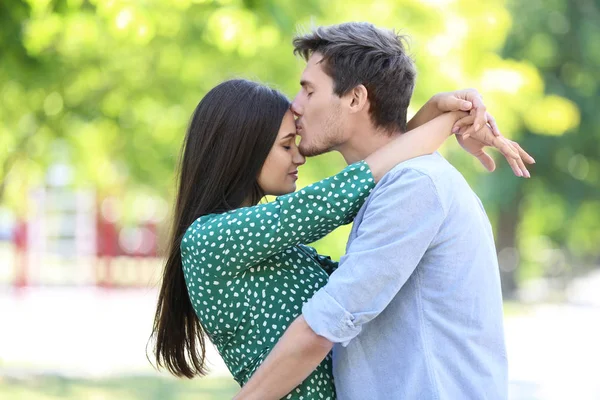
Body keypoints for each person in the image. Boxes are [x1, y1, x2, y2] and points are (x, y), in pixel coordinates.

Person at [235, 22, 534, 400]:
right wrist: (439, 113)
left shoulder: (415, 186)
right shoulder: (394, 184)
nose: (295, 104)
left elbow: (324, 325)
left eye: (309, 89)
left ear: (356, 98)